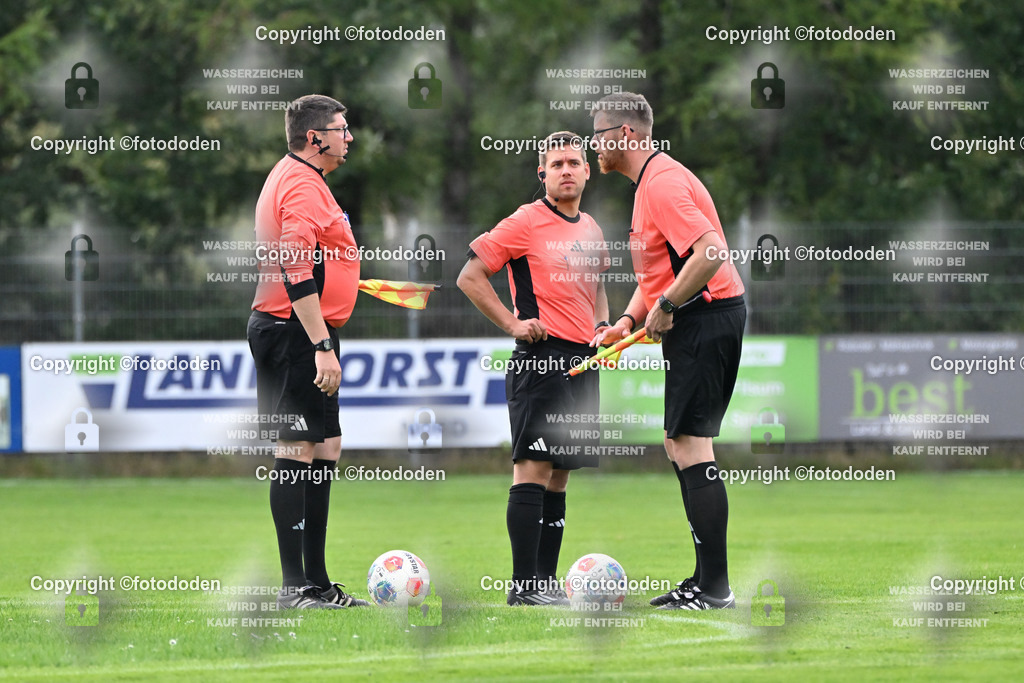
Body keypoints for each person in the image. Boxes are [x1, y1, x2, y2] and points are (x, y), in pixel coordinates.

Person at [592, 93, 746, 610]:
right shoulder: (648, 185)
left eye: (599, 133)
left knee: (690, 445)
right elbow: (661, 272)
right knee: (678, 443)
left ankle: (716, 588)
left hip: (707, 316)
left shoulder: (661, 184)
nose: (595, 144)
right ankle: (704, 581)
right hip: (699, 316)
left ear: (627, 135)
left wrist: (669, 304)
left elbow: (711, 252)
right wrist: (628, 321)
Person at [457, 131, 610, 606]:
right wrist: (512, 323)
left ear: (587, 171)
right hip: (541, 362)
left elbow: (598, 288)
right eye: (556, 163)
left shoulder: (592, 229)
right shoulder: (526, 221)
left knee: (561, 475)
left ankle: (545, 584)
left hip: (583, 361)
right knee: (534, 469)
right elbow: (470, 275)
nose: (566, 170)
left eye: (574, 162)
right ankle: (524, 587)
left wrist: (604, 326)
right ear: (542, 173)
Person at [247, 94, 369, 609]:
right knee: (295, 448)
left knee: (325, 447)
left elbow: (317, 260)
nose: (349, 137)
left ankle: (316, 584)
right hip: (294, 331)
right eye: (342, 129)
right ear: (315, 138)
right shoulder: (299, 181)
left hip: (303, 329)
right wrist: (321, 344)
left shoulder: (305, 180)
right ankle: (293, 587)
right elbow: (295, 266)